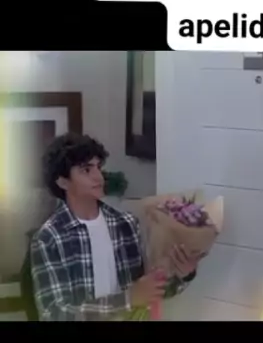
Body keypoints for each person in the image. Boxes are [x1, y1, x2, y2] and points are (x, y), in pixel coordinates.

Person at [30, 133, 199, 321]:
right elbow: (54, 314)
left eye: (98, 167)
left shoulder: (126, 224)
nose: (98, 177)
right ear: (63, 181)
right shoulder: (49, 238)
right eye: (86, 170)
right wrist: (127, 299)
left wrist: (184, 274)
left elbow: (148, 290)